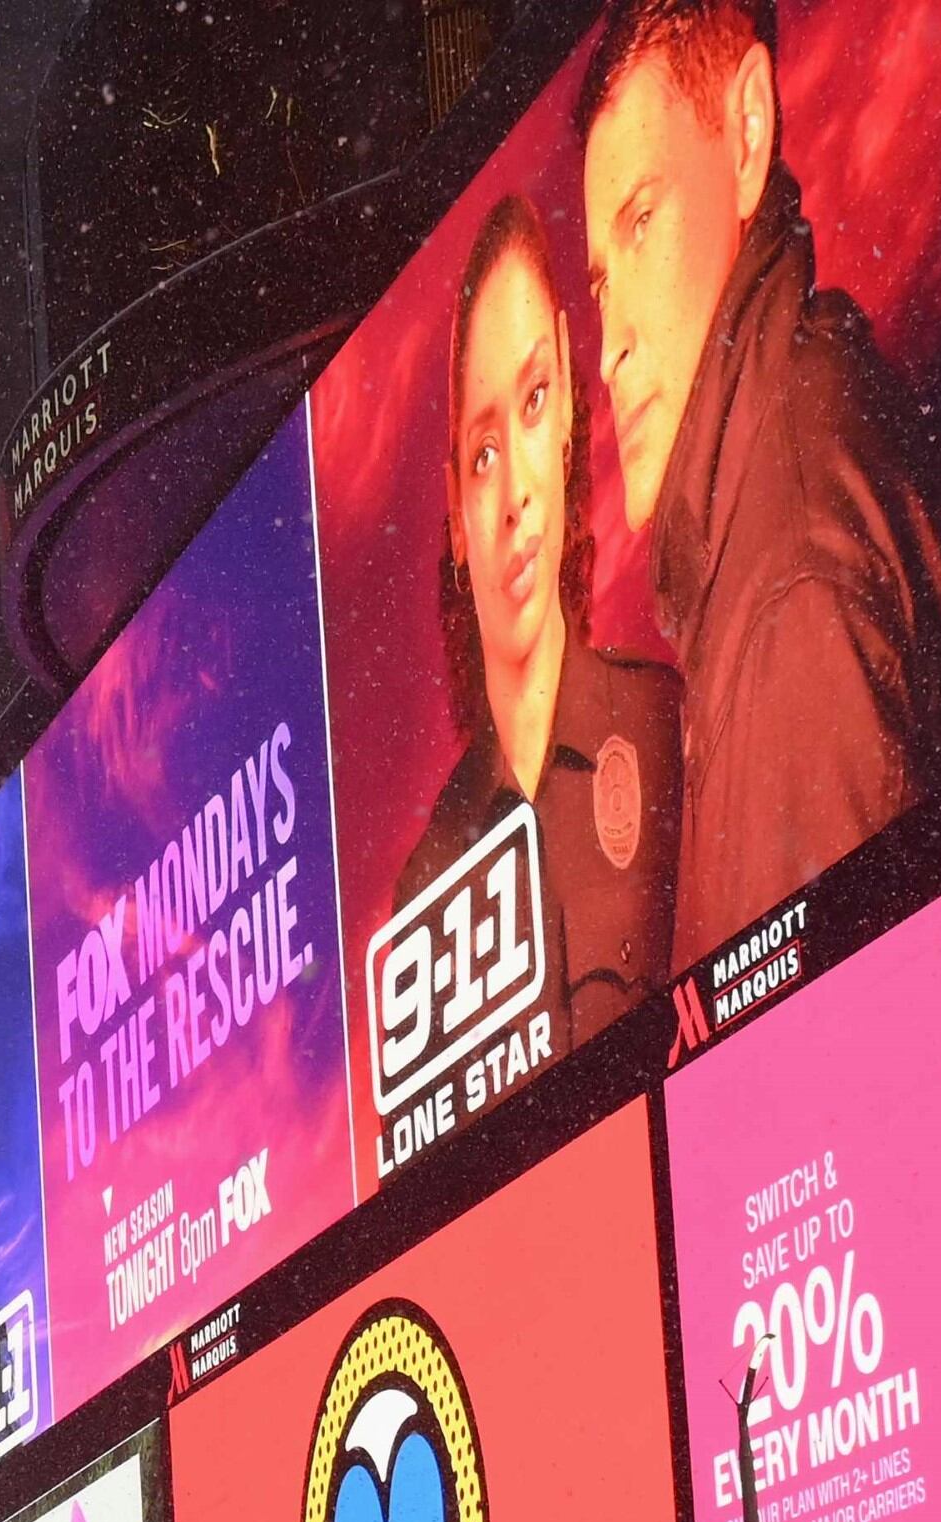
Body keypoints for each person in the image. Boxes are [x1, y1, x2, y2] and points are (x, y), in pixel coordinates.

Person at [579, 0, 941, 964]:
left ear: (748, 134)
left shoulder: (785, 583)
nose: (610, 345)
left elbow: (832, 1090)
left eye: (641, 221)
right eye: (597, 281)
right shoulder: (781, 462)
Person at [389, 190, 684, 1044]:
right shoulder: (432, 884)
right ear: (452, 510)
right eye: (482, 455)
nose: (516, 492)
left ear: (564, 403)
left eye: (533, 401)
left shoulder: (668, 728)